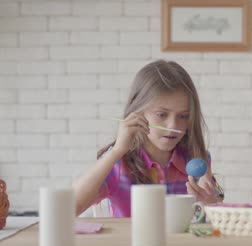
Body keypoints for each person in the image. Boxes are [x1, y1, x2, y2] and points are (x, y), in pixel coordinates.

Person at [74, 60, 223, 217]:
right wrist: (117, 151)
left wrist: (211, 204)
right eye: (161, 115)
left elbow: (214, 211)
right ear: (138, 112)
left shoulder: (196, 159)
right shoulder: (119, 163)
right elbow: (69, 208)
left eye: (183, 116)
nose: (173, 125)